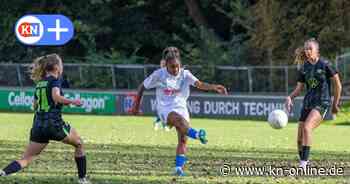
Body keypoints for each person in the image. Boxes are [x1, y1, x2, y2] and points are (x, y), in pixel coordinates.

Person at [131, 47, 227, 176]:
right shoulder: (159, 75)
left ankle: (178, 169)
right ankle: (198, 134)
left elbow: (199, 84)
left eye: (177, 66)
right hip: (165, 108)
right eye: (172, 67)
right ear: (166, 66)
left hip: (181, 107)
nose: (175, 69)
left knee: (183, 139)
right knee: (178, 121)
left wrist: (214, 87)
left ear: (180, 65)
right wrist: (136, 106)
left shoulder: (185, 74)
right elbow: (142, 86)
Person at [0, 54, 90, 184]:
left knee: (27, 158)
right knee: (79, 143)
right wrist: (73, 101)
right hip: (53, 124)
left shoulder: (40, 83)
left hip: (38, 125)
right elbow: (56, 97)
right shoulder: (55, 80)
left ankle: (3, 172)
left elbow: (35, 105)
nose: (62, 67)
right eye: (61, 65)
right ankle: (82, 179)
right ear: (56, 67)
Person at [285, 38, 342, 169]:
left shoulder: (326, 64)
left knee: (307, 127)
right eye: (306, 48)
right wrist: (290, 97)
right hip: (308, 103)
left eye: (310, 48)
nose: (307, 51)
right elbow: (299, 89)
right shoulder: (304, 67)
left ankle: (303, 164)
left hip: (322, 102)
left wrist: (335, 104)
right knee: (299, 139)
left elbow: (337, 85)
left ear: (317, 50)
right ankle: (304, 161)